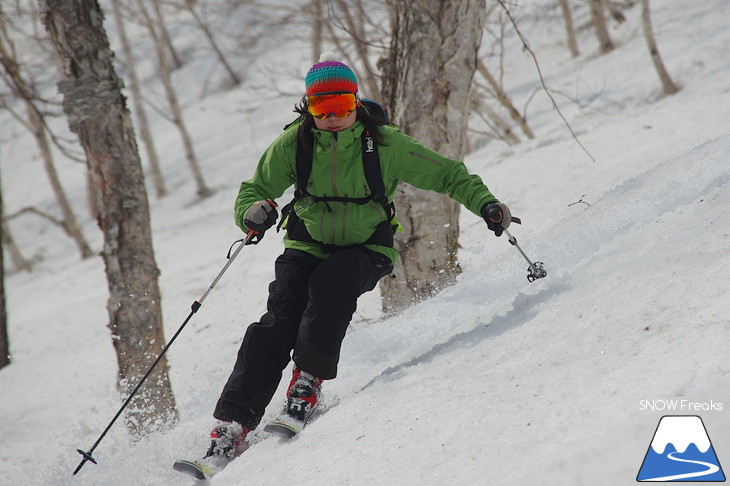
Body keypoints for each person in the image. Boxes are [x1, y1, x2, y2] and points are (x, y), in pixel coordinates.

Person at [199, 55, 511, 469]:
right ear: (308, 107)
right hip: (307, 244)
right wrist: (253, 212)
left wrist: (486, 204)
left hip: (366, 249)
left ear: (356, 102)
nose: (332, 117)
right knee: (278, 322)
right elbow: (254, 188)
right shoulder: (296, 142)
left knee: (330, 288)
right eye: (320, 109)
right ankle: (232, 427)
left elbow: (449, 174)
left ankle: (307, 383)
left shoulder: (384, 143)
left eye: (343, 106)